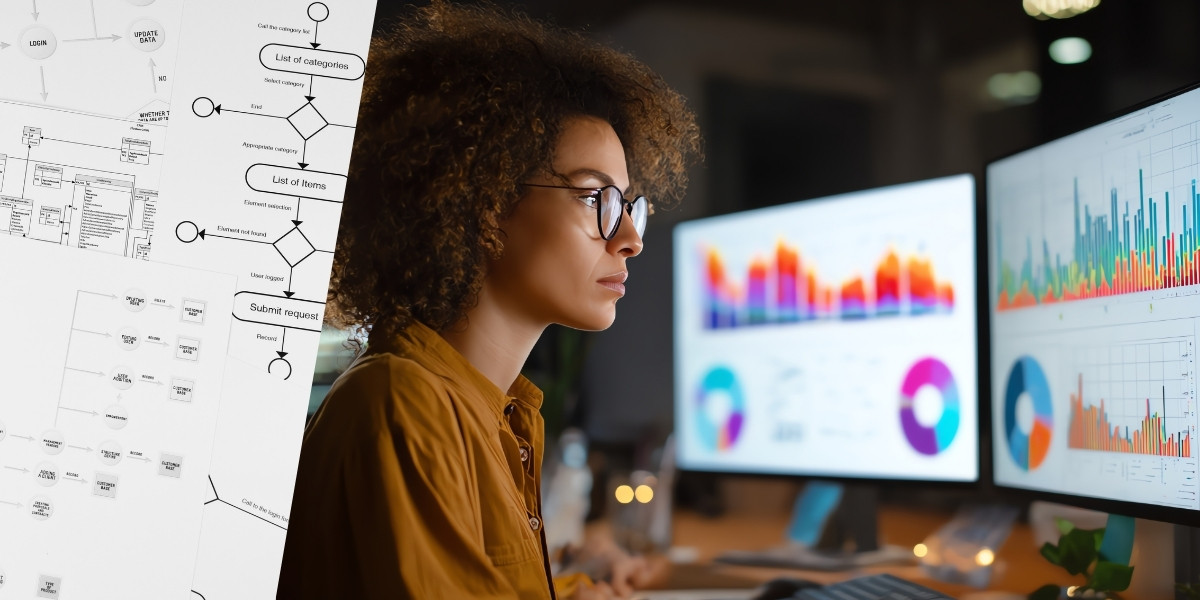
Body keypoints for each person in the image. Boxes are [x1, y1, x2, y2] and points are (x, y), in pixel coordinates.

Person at [276, 3, 701, 599]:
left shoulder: (498, 415)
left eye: (631, 206)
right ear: (484, 206)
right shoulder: (403, 405)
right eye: (595, 199)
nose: (629, 239)